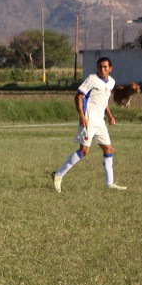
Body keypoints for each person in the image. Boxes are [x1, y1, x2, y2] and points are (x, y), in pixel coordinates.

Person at [51, 57, 127, 192]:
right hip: (88, 120)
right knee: (84, 151)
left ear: (110, 68)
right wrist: (81, 115)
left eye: (105, 67)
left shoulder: (111, 82)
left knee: (108, 149)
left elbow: (104, 101)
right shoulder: (92, 79)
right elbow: (78, 96)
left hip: (100, 122)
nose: (102, 69)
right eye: (100, 67)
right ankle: (58, 174)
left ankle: (109, 183)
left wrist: (110, 116)